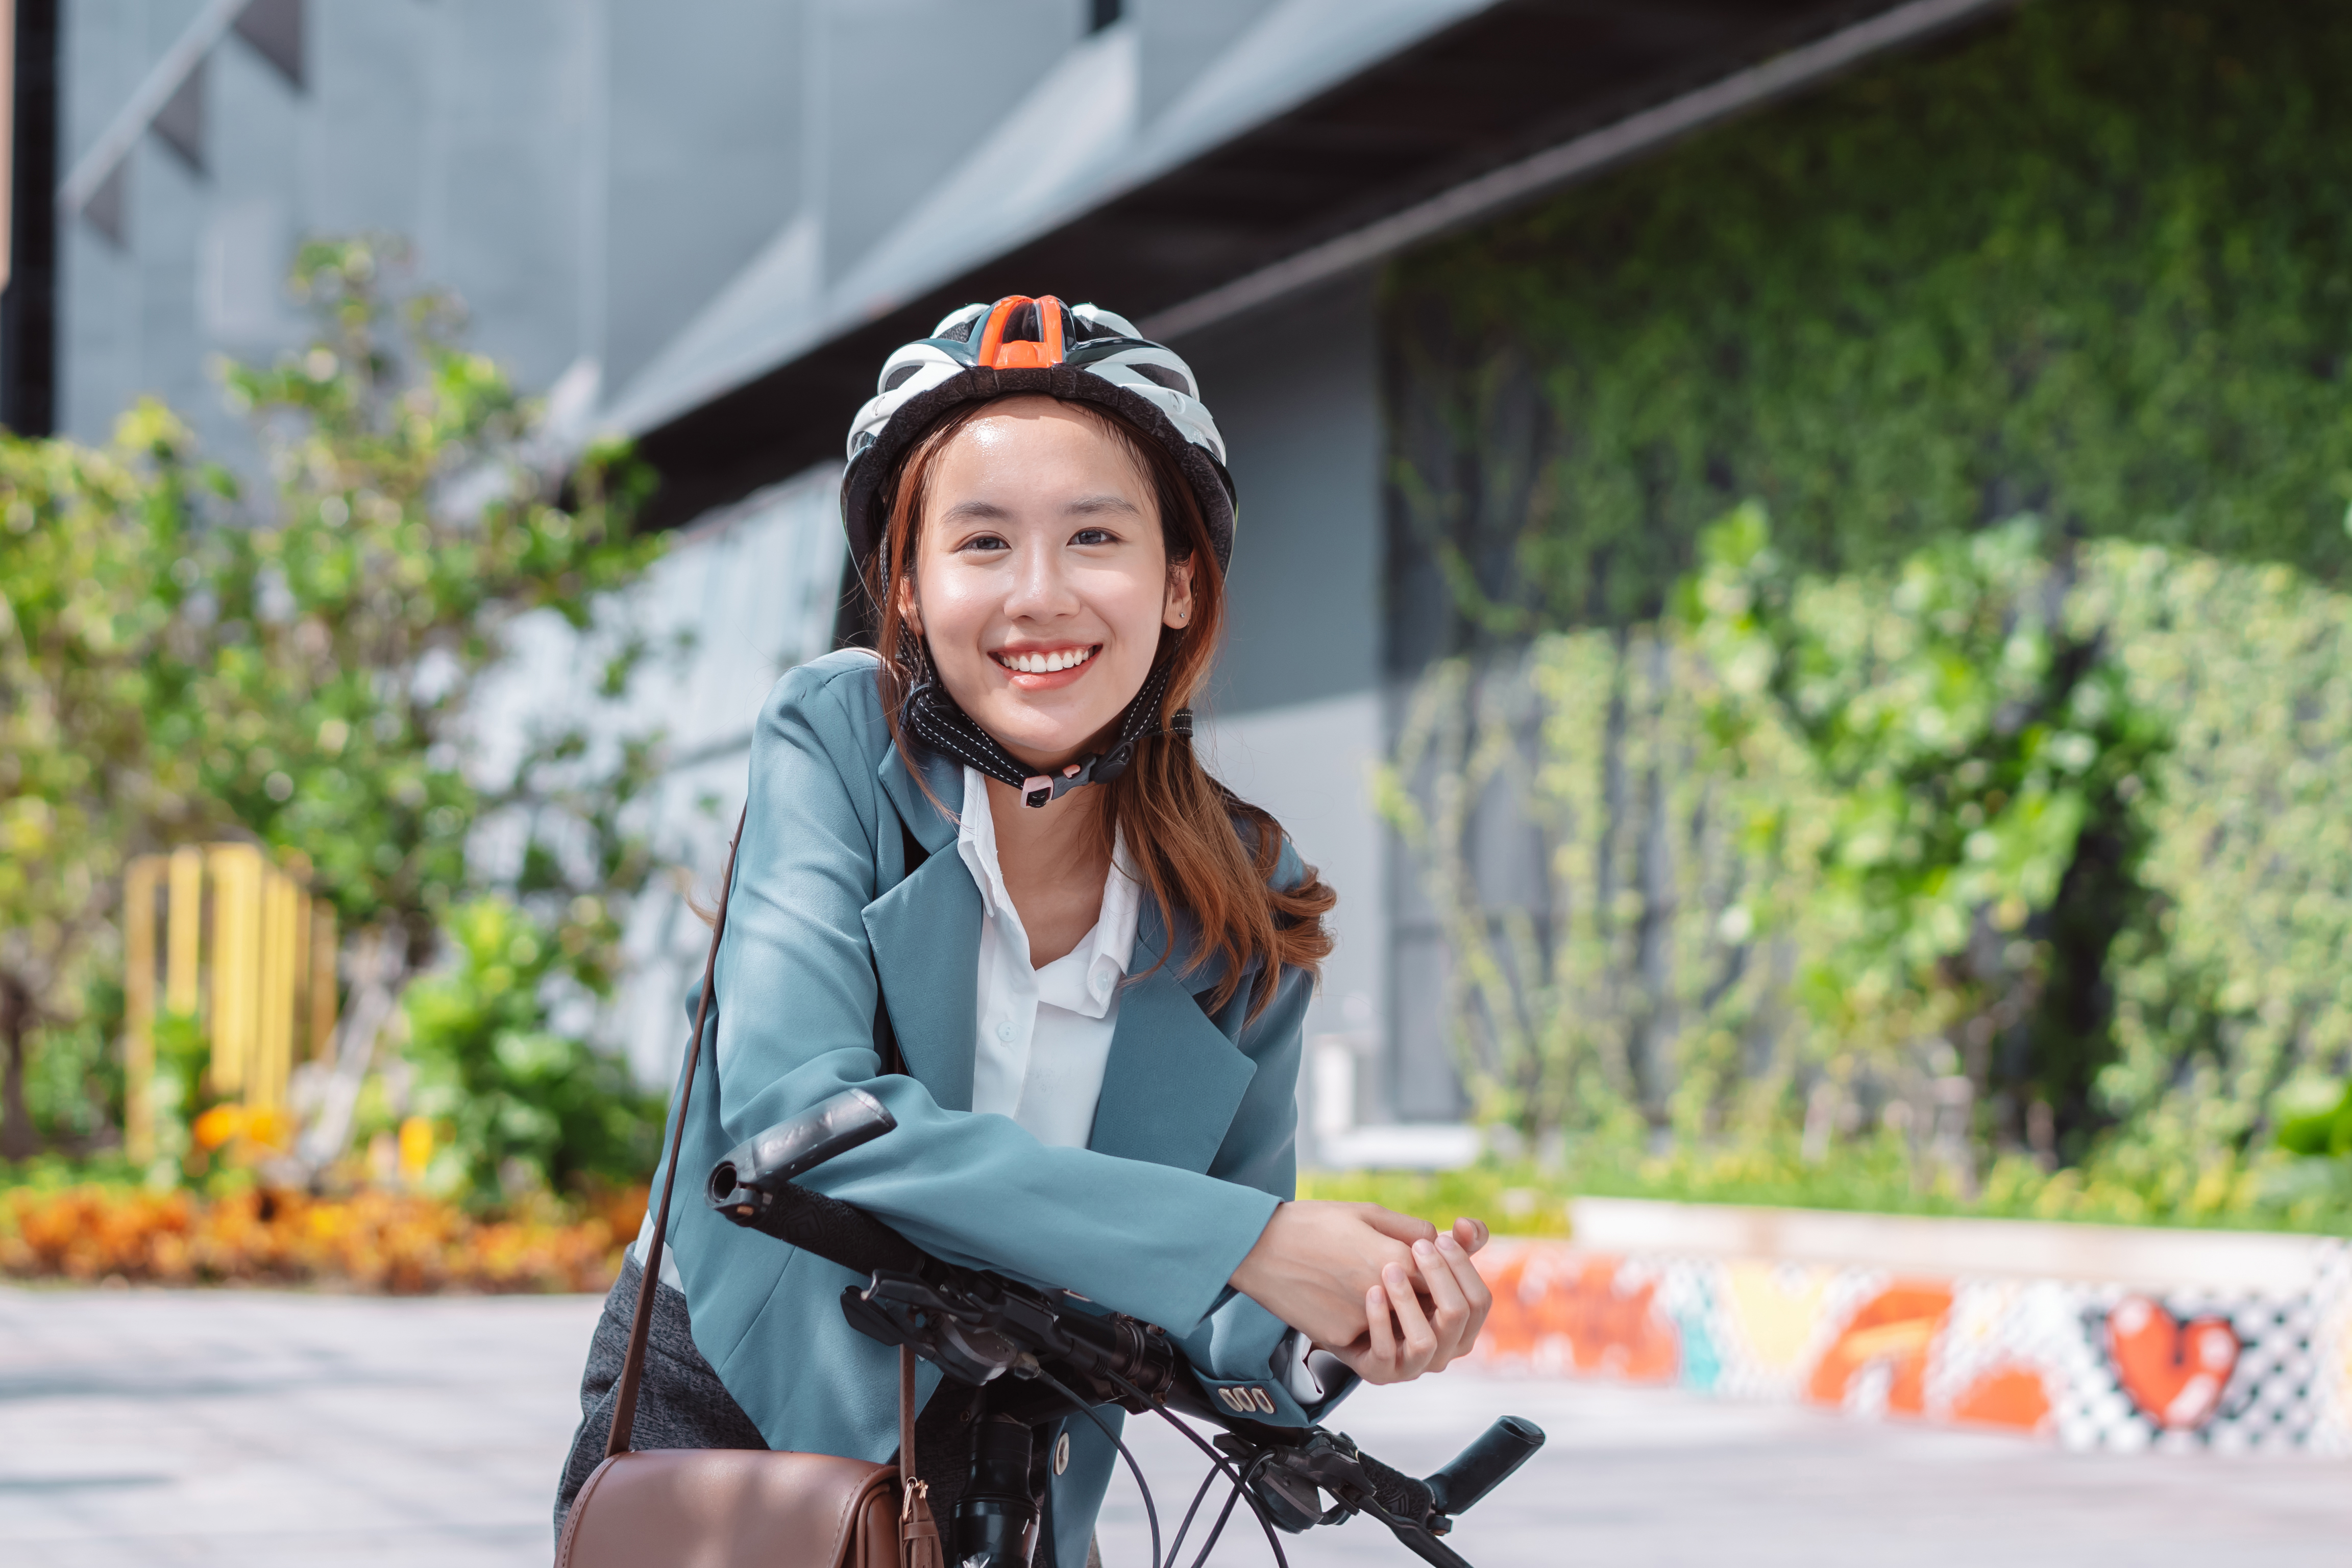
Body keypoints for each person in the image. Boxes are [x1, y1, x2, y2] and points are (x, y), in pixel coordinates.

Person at [556, 296, 1492, 1565]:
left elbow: (1211, 1295)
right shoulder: (834, 738)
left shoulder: (1247, 895)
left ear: (1176, 585)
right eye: (982, 542)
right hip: (732, 1409)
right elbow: (797, 1128)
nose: (1038, 596)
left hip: (1024, 1458)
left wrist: (1346, 1322)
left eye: (1094, 537)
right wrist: (1257, 1247)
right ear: (907, 585)